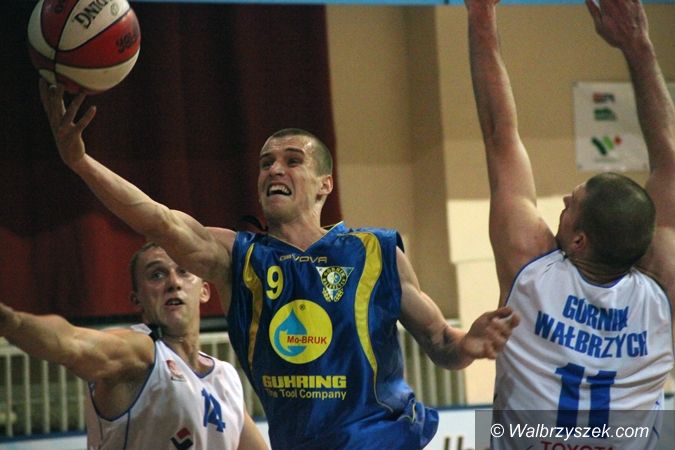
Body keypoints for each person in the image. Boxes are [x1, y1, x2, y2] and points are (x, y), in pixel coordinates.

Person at [39, 79, 519, 447]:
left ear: (324, 185)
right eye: (266, 162)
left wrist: (468, 343)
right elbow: (159, 220)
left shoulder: (375, 252)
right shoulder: (237, 257)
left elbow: (441, 344)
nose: (274, 169)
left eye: (292, 160)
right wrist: (81, 162)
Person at [466, 0, 674, 448]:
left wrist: (481, 14)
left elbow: (499, 135)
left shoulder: (530, 267)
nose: (563, 199)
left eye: (571, 205)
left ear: (578, 240)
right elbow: (670, 162)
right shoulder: (662, 290)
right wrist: (639, 46)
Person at [0, 242, 267, 450]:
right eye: (157, 275)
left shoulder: (225, 377)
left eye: (183, 271)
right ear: (137, 300)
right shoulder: (139, 353)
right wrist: (12, 322)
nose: (173, 283)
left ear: (205, 291)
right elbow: (70, 342)